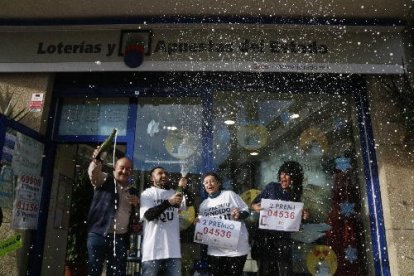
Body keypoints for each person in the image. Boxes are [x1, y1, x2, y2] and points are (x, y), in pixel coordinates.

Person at [86, 148, 139, 276]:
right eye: (122, 167)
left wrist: (137, 203)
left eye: (128, 169)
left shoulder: (133, 191)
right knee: (94, 270)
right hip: (98, 234)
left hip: (120, 238)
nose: (125, 171)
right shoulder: (104, 180)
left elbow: (135, 214)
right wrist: (97, 160)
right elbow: (93, 173)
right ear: (114, 168)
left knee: (117, 273)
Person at [251, 160, 308, 276]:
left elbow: (296, 219)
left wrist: (304, 216)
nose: (283, 176)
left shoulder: (297, 193)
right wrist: (255, 207)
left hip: (283, 239)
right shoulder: (272, 187)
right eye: (282, 173)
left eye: (287, 174)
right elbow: (254, 204)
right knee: (265, 269)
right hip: (265, 237)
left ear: (295, 177)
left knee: (284, 269)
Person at [198, 172, 250, 276]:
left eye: (212, 181)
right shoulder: (203, 205)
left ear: (218, 183)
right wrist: (198, 224)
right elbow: (203, 229)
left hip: (236, 250)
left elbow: (246, 211)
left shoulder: (229, 195)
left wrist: (239, 215)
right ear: (204, 186)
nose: (209, 184)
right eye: (206, 182)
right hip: (215, 251)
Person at [140, 166, 187, 276]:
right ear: (152, 178)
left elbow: (186, 207)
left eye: (166, 173)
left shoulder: (175, 193)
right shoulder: (147, 194)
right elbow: (148, 216)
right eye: (160, 173)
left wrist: (183, 188)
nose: (164, 175)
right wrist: (168, 202)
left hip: (173, 252)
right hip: (152, 253)